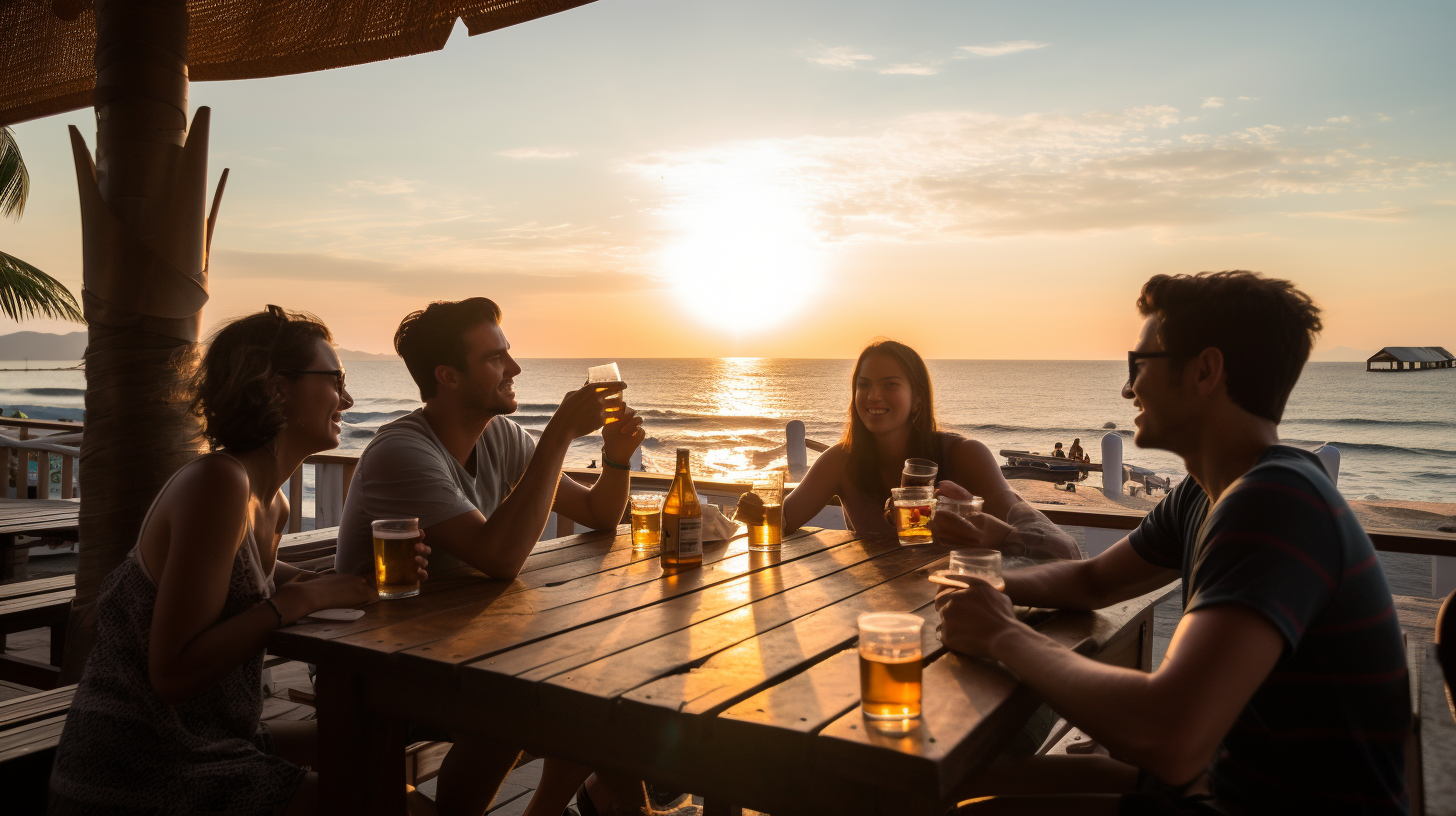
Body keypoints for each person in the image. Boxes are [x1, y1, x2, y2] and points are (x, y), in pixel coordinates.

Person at [938, 271, 1410, 815]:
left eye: (1140, 365)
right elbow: (1094, 581)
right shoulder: (1208, 491)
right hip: (1226, 781)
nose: (1128, 387)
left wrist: (1001, 633)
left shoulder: (1275, 504)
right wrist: (985, 587)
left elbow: (1170, 737)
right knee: (964, 785)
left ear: (1205, 371)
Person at [49, 306, 427, 816]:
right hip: (140, 764)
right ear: (274, 389)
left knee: (372, 749)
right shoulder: (218, 483)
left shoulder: (272, 503)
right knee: (382, 798)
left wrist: (343, 582)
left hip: (212, 739)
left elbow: (244, 580)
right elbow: (171, 674)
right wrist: (302, 598)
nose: (348, 398)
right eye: (335, 379)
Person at [335, 298, 659, 816]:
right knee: (518, 698)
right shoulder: (403, 452)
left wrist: (616, 456)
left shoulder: (500, 436)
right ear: (449, 376)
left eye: (508, 354)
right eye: (495, 359)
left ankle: (608, 801)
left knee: (601, 671)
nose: (515, 369)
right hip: (377, 659)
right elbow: (500, 557)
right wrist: (558, 433)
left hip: (464, 640)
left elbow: (598, 513)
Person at [736, 338, 1079, 565]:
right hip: (871, 605)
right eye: (864, 384)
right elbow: (780, 522)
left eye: (890, 384)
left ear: (917, 397)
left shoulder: (965, 455)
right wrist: (752, 510)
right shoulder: (842, 460)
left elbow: (1057, 548)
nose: (873, 396)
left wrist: (967, 521)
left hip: (955, 603)